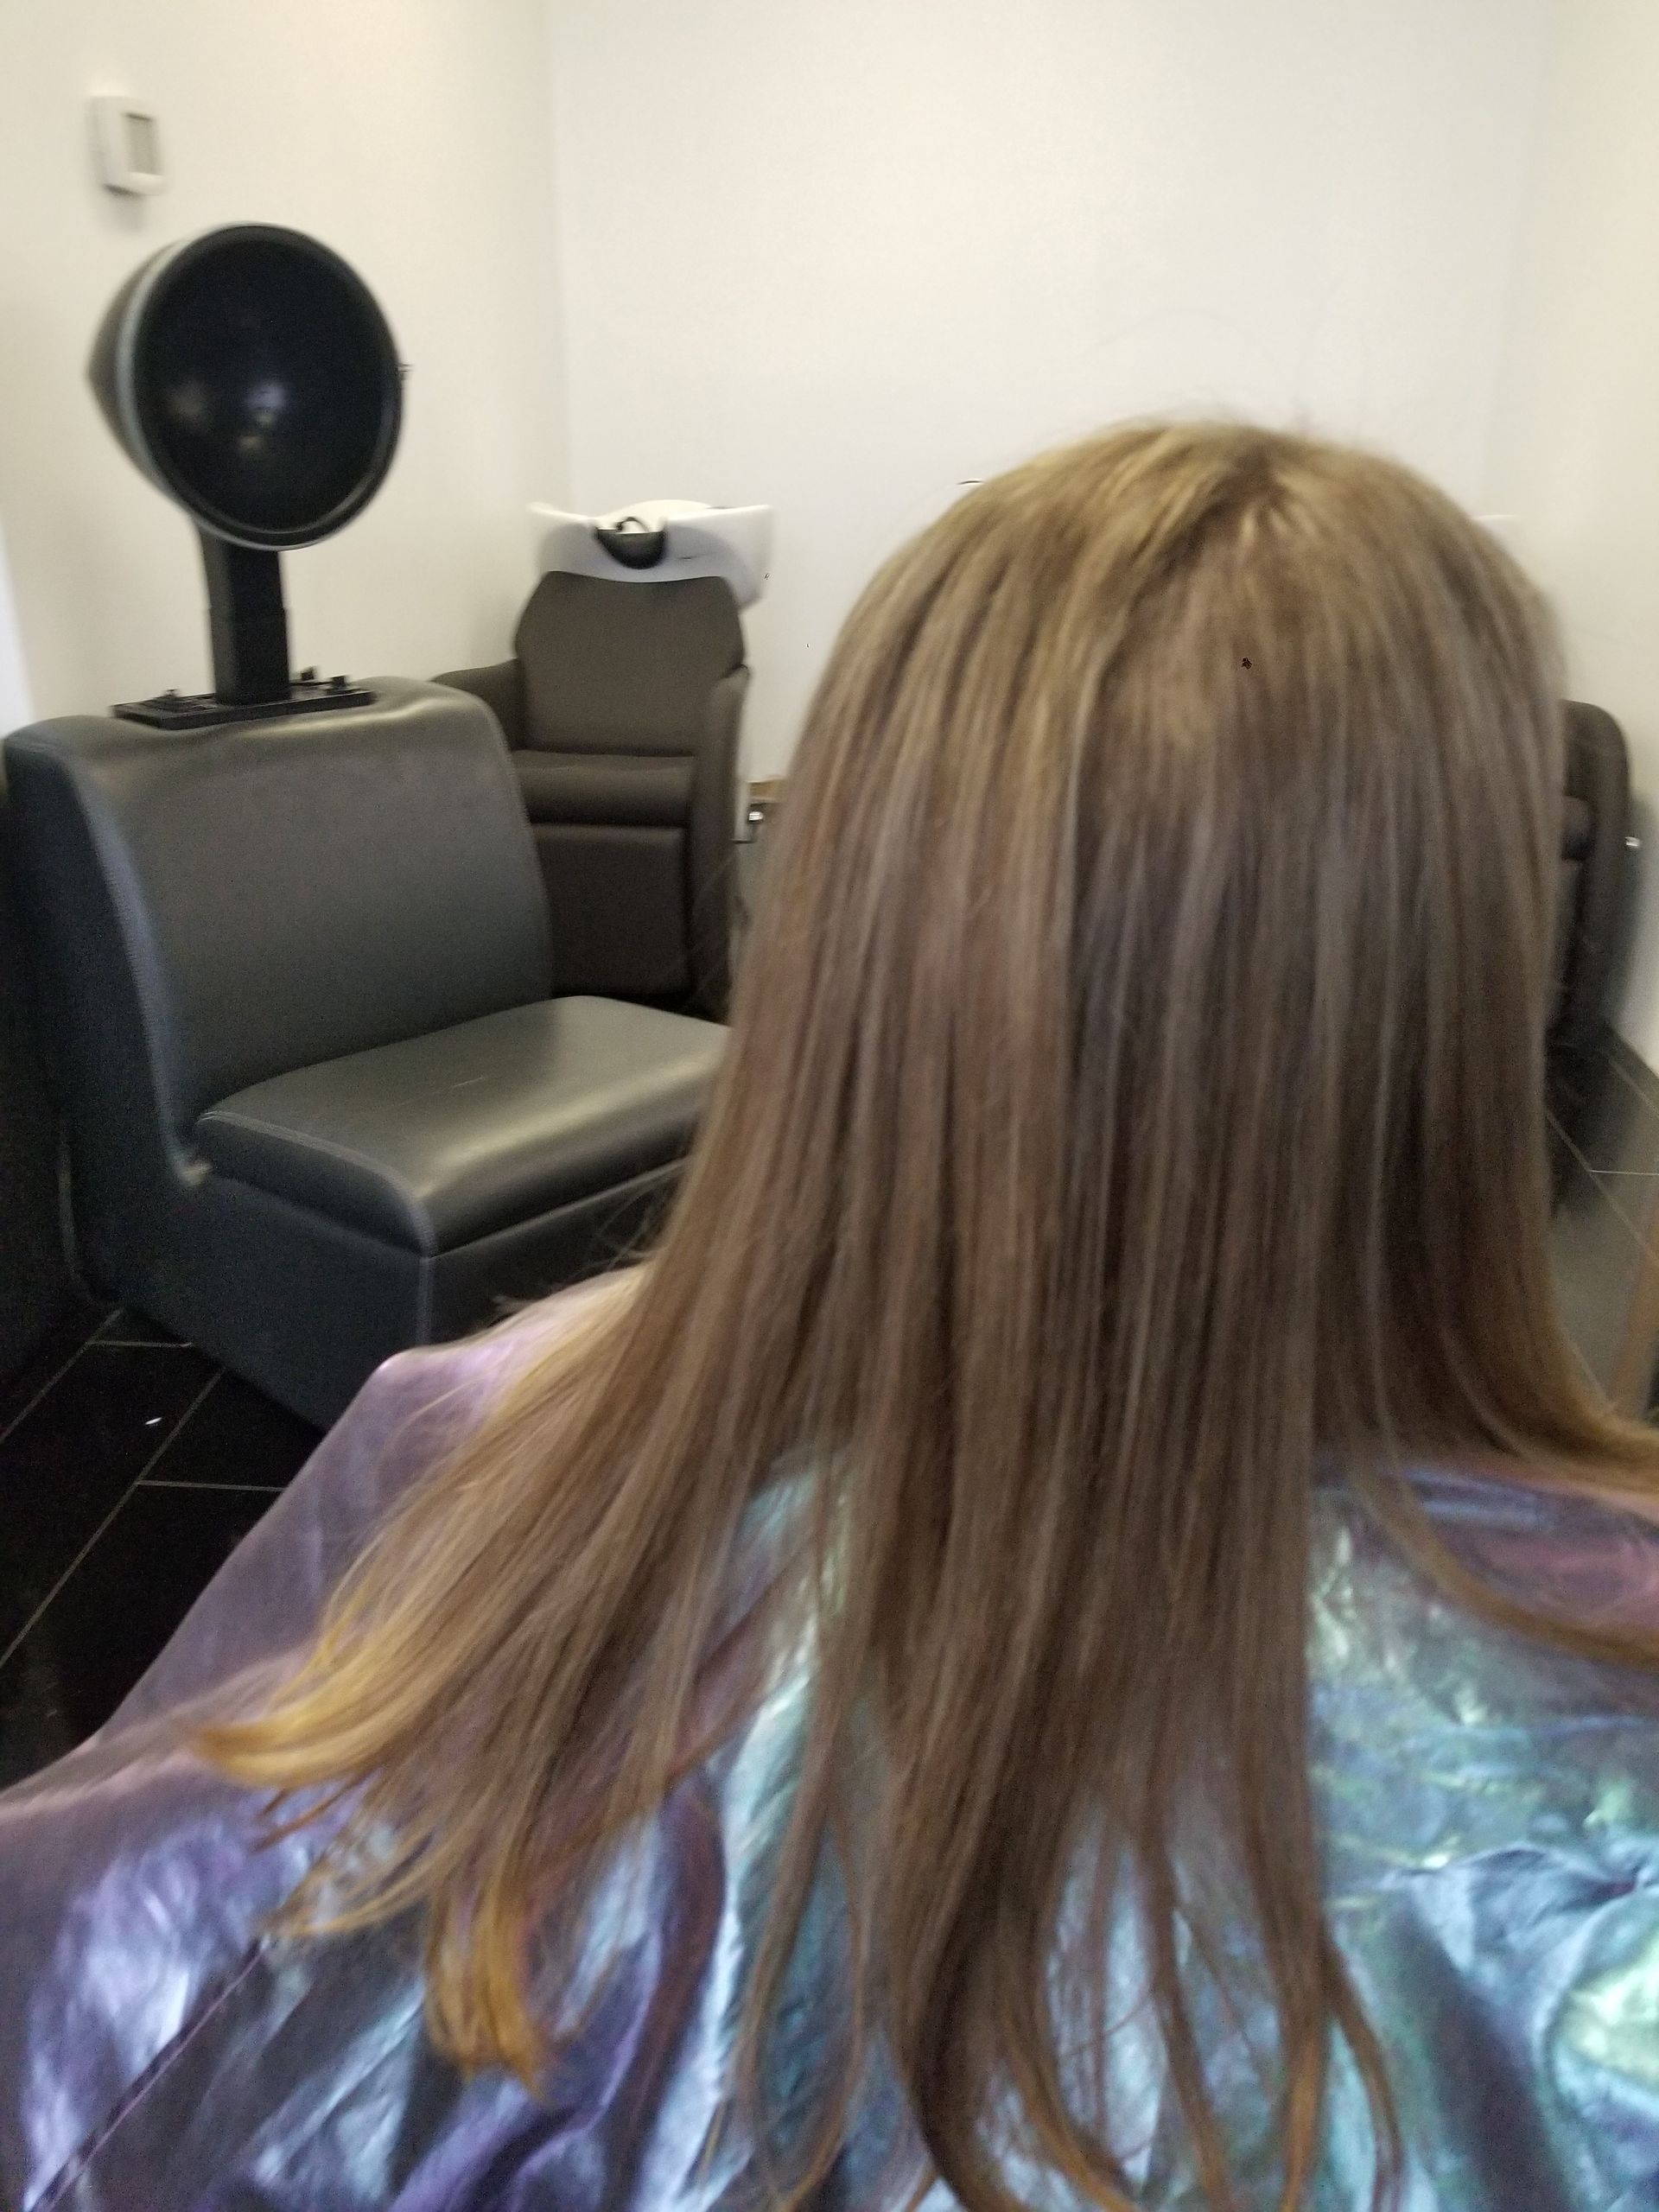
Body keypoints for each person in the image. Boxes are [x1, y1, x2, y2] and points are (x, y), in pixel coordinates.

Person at [5, 421, 1659, 2212]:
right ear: (1456, 970)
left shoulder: (488, 1417)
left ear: (846, 910)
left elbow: (121, 1984)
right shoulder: (1604, 1732)